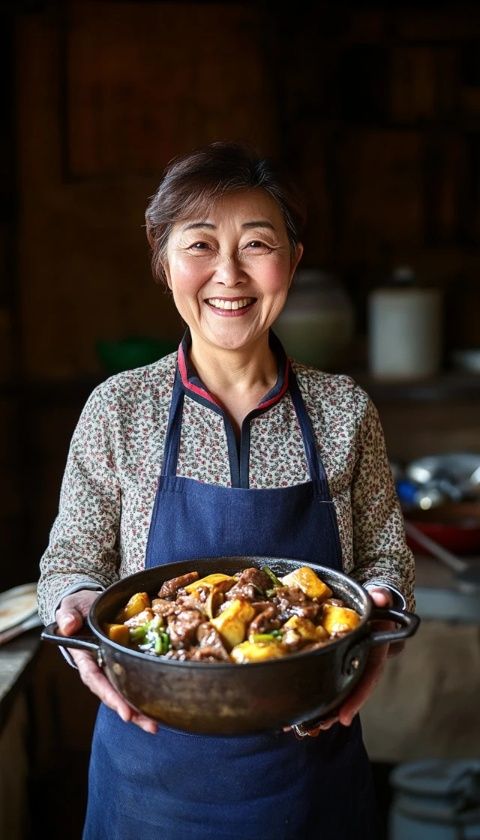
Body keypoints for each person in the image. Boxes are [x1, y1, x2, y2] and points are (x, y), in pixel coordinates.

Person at [38, 140, 415, 840]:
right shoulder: (120, 409)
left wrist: (381, 621)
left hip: (311, 777)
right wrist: (77, 613)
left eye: (258, 244)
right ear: (164, 261)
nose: (229, 275)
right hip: (151, 781)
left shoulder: (345, 411)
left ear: (294, 260)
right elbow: (71, 559)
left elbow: (384, 561)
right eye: (201, 244)